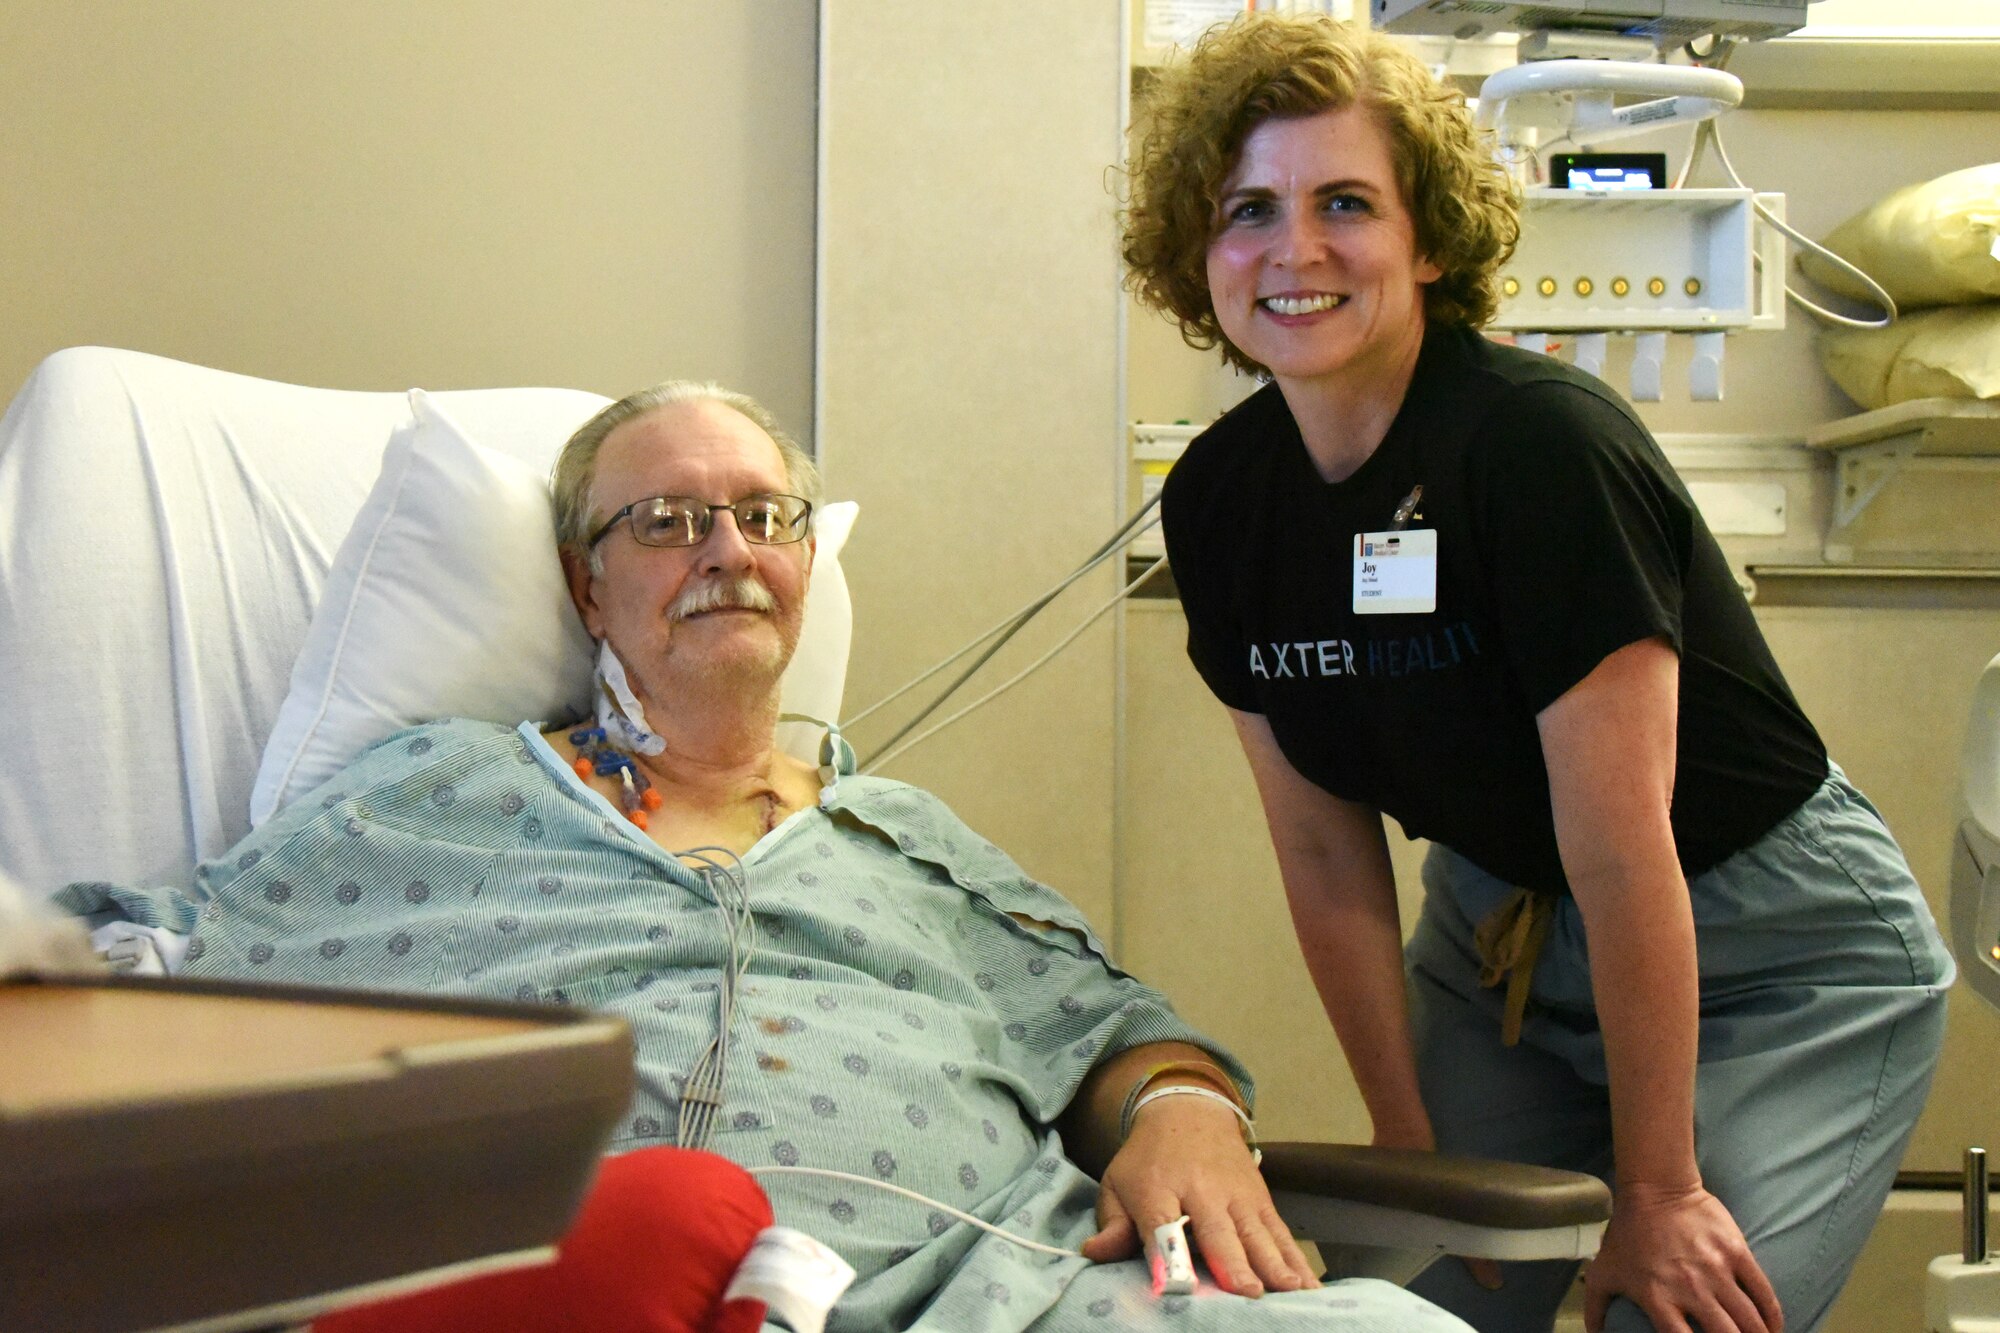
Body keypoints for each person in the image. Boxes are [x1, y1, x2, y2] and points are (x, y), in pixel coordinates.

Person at [58, 380, 1470, 1333]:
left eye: (763, 516)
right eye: (665, 522)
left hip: (985, 1293)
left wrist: (1180, 1111)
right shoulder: (430, 795)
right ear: (584, 587)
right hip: (585, 1283)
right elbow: (141, 948)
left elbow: (1113, 1027)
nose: (724, 549)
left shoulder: (911, 843)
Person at [1120, 15, 1952, 1333]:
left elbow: (1626, 852)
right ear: (1196, 251)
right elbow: (1328, 860)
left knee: (1668, 1315)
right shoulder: (1222, 500)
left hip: (1778, 954)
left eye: (1348, 202)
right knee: (1413, 1305)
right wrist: (1407, 1142)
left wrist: (1660, 1184)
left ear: (1429, 238)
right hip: (1500, 947)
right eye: (1248, 211)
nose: (1298, 249)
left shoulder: (1539, 452)